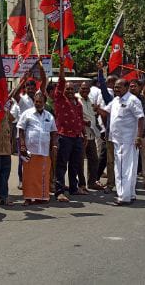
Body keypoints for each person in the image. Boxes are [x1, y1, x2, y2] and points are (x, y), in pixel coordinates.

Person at [94, 78, 145, 205]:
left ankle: (123, 197)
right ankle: (130, 194)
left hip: (127, 140)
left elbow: (141, 118)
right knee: (127, 168)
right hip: (116, 140)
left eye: (119, 87)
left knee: (123, 169)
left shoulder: (133, 100)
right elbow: (106, 112)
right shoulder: (116, 100)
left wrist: (139, 137)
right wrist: (97, 109)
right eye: (115, 87)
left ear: (126, 87)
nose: (116, 89)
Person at [52, 63, 85, 202]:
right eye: (68, 89)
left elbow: (80, 120)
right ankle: (59, 191)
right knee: (61, 165)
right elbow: (60, 82)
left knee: (75, 164)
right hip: (64, 136)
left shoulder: (78, 102)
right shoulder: (60, 99)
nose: (70, 91)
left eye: (72, 89)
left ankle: (73, 188)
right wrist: (61, 68)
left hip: (77, 137)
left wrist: (82, 134)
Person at [17, 92, 57, 205]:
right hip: (30, 150)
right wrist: (23, 145)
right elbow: (21, 130)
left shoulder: (49, 116)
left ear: (44, 103)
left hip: (44, 150)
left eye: (40, 102)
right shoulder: (27, 114)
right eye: (36, 101)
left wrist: (54, 145)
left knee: (43, 175)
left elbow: (54, 132)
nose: (37, 103)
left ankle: (41, 197)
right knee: (29, 175)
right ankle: (28, 198)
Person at [129, 79, 145, 191]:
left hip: (144, 134)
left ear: (140, 88)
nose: (132, 88)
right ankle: (131, 181)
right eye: (130, 86)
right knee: (131, 159)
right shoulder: (127, 100)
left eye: (134, 86)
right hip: (130, 135)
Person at [77, 81, 102, 191]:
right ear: (79, 88)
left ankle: (92, 182)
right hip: (81, 135)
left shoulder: (90, 100)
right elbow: (74, 116)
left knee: (94, 159)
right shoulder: (76, 99)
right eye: (83, 88)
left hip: (91, 134)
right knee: (80, 161)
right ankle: (81, 185)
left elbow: (93, 116)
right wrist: (83, 122)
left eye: (87, 89)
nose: (85, 91)